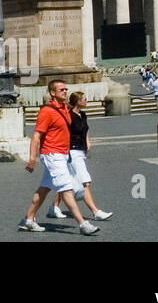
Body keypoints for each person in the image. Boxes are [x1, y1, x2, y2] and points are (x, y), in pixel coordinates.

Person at [18, 80, 99, 235]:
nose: (65, 91)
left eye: (66, 89)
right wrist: (32, 158)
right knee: (66, 188)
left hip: (62, 154)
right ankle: (83, 224)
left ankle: (29, 219)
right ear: (52, 93)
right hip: (52, 154)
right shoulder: (46, 112)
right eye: (61, 89)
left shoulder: (64, 109)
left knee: (44, 189)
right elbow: (36, 136)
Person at [48, 91, 112, 222]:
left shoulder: (82, 114)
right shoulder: (69, 116)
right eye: (84, 99)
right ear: (78, 101)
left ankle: (54, 207)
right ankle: (96, 211)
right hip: (72, 151)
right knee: (85, 182)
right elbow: (63, 132)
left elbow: (85, 129)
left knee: (66, 182)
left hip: (81, 150)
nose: (87, 101)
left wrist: (87, 141)